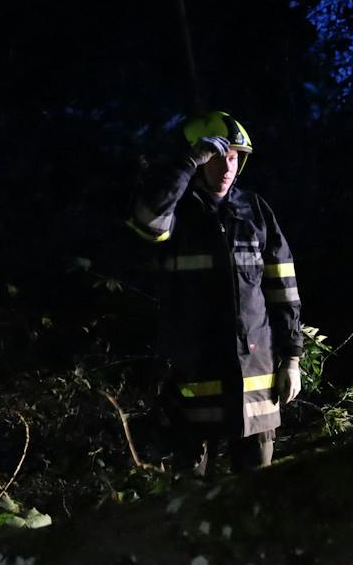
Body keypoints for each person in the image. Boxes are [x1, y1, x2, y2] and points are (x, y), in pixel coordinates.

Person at [126, 111, 304, 474]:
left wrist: (292, 359)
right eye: (215, 156)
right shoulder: (177, 212)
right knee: (191, 498)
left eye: (234, 156)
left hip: (256, 381)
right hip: (193, 380)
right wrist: (187, 165)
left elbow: (283, 288)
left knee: (258, 493)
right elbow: (147, 222)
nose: (226, 166)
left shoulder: (255, 211)